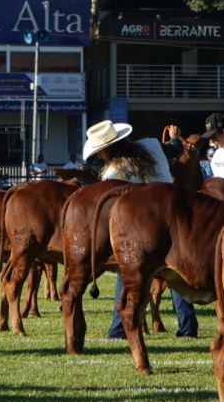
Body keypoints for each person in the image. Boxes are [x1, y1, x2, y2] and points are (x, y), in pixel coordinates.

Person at [83, 120, 198, 339]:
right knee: (175, 272)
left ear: (109, 148)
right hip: (172, 215)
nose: (99, 156)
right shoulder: (151, 145)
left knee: (126, 274)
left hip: (142, 227)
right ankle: (188, 327)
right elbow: (174, 149)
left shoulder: (112, 174)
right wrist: (174, 136)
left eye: (100, 151)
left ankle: (118, 330)